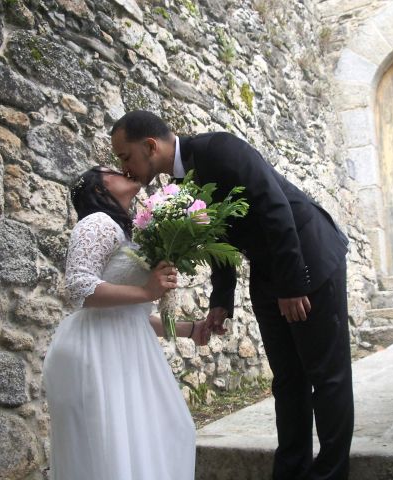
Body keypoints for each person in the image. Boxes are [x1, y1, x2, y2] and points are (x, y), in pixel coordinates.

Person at [111, 111, 354, 480]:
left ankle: (331, 474)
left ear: (149, 146)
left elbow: (276, 206)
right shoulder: (179, 185)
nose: (124, 168)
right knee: (288, 378)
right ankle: (291, 471)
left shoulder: (221, 148)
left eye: (125, 156)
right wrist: (221, 302)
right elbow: (215, 239)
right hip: (269, 271)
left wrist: (291, 285)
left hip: (308, 256)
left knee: (327, 374)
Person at [42, 165, 209, 480]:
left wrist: (190, 329)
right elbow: (78, 287)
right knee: (112, 450)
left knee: (167, 431)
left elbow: (135, 315)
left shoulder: (125, 232)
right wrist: (147, 290)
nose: (123, 170)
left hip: (127, 349)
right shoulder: (97, 222)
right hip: (97, 351)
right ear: (98, 189)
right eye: (111, 170)